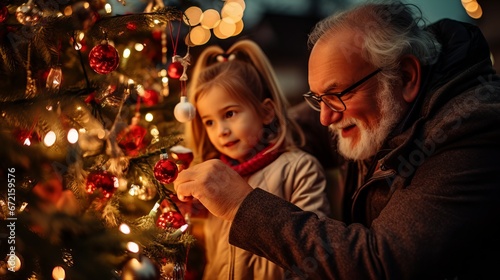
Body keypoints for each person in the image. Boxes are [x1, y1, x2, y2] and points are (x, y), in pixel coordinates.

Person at [175, 1, 500, 279]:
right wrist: (211, 165)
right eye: (318, 98)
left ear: (406, 76)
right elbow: (291, 126)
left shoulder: (471, 132)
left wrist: (239, 204)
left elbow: (381, 264)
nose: (325, 118)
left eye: (336, 95)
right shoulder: (381, 112)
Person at [183, 39, 331, 280]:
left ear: (266, 112)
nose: (221, 130)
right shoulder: (210, 181)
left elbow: (311, 252)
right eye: (209, 121)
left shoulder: (300, 169)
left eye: (229, 114)